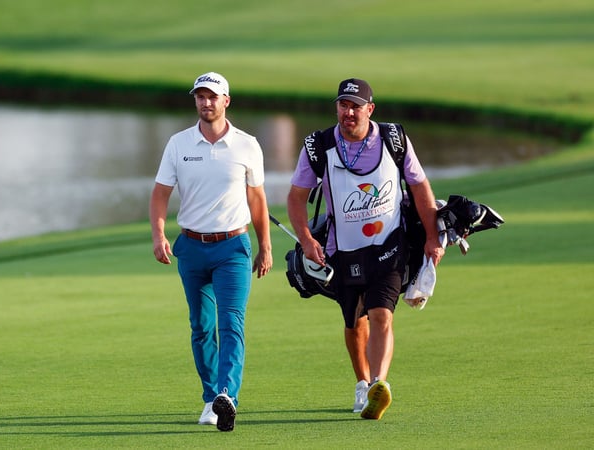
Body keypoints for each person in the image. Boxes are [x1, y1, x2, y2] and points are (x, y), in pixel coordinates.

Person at [286, 78, 444, 420]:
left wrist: (432, 236)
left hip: (388, 248)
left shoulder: (394, 139)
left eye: (356, 106)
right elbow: (296, 198)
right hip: (341, 252)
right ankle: (362, 382)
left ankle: (378, 385)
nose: (348, 112)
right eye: (343, 105)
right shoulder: (318, 145)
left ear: (370, 109)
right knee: (355, 321)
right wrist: (307, 240)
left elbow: (419, 187)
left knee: (381, 315)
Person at [149, 71, 273, 431]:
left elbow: (257, 198)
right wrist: (159, 235)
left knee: (230, 323)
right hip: (191, 247)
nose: (206, 102)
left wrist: (265, 246)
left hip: (233, 247)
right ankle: (210, 398)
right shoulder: (179, 144)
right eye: (200, 96)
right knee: (201, 327)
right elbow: (160, 194)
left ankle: (226, 396)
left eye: (212, 97)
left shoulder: (248, 145)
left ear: (226, 101)